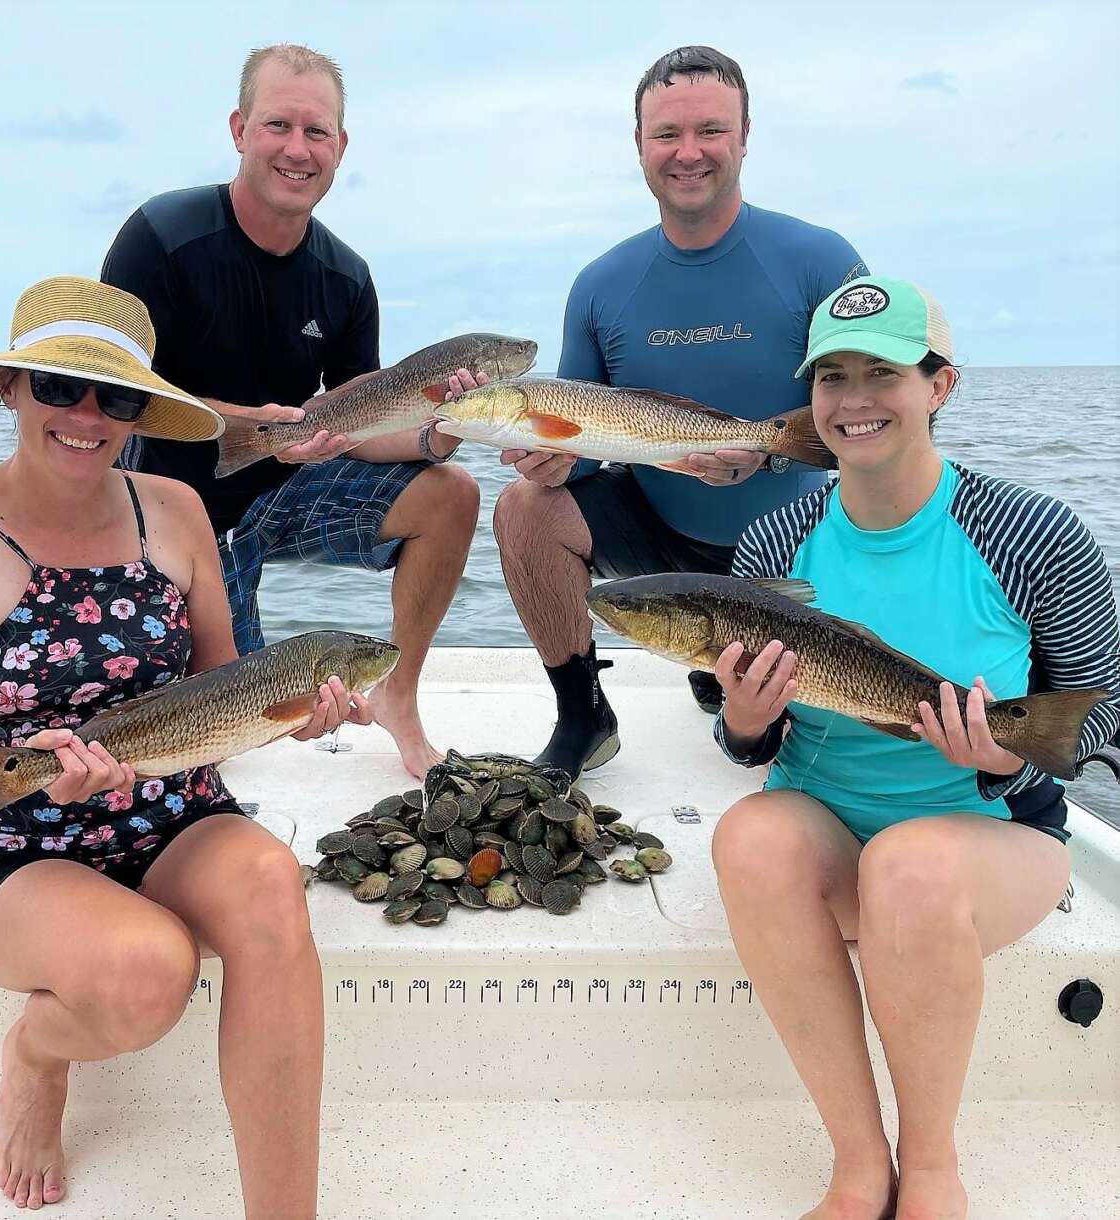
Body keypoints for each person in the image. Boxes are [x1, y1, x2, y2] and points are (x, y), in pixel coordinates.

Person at [0, 277, 369, 1215]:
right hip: (12, 847)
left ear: (141, 411)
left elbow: (226, 692)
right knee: (149, 974)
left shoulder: (174, 509)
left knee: (275, 890)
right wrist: (30, 772)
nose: (87, 416)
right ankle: (36, 1055)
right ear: (7, 387)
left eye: (116, 398)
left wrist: (302, 712)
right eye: (58, 388)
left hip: (176, 811)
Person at [709, 276, 1120, 1220]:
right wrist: (741, 719)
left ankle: (931, 1167)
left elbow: (1098, 714)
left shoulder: (1034, 534)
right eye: (832, 377)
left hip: (988, 837)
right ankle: (859, 1167)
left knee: (910, 867)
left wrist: (1005, 756)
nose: (853, 400)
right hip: (826, 829)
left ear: (940, 386)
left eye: (883, 373)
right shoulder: (774, 538)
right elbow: (743, 741)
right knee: (749, 834)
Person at [102, 42, 482, 780]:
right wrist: (252, 424)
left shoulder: (345, 277)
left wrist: (439, 432)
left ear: (342, 146)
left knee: (451, 492)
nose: (298, 149)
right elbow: (111, 403)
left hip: (286, 491)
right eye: (279, 126)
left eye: (317, 132)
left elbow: (361, 430)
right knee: (218, 747)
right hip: (174, 515)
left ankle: (399, 696)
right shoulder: (163, 238)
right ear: (240, 129)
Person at [492, 44, 868, 780]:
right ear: (639, 145)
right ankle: (582, 715)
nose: (688, 152)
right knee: (523, 504)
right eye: (666, 134)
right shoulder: (601, 284)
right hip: (659, 535)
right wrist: (555, 457)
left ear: (746, 135)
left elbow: (876, 413)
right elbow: (587, 441)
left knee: (812, 740)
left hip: (794, 547)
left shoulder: (821, 260)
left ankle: (725, 664)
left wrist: (771, 451)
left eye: (710, 130)